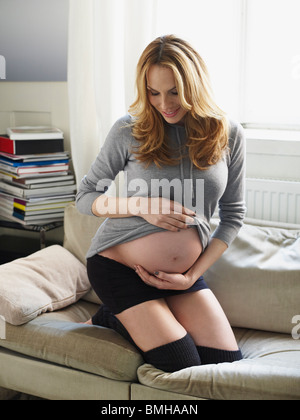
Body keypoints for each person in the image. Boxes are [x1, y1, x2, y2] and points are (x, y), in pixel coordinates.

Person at [76, 35, 246, 372]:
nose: (165, 103)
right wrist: (139, 206)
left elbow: (233, 217)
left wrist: (191, 276)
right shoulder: (129, 130)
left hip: (181, 277)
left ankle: (123, 313)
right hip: (119, 268)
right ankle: (114, 317)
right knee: (180, 363)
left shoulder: (228, 133)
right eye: (153, 92)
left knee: (224, 364)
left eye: (174, 93)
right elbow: (86, 198)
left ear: (194, 86)